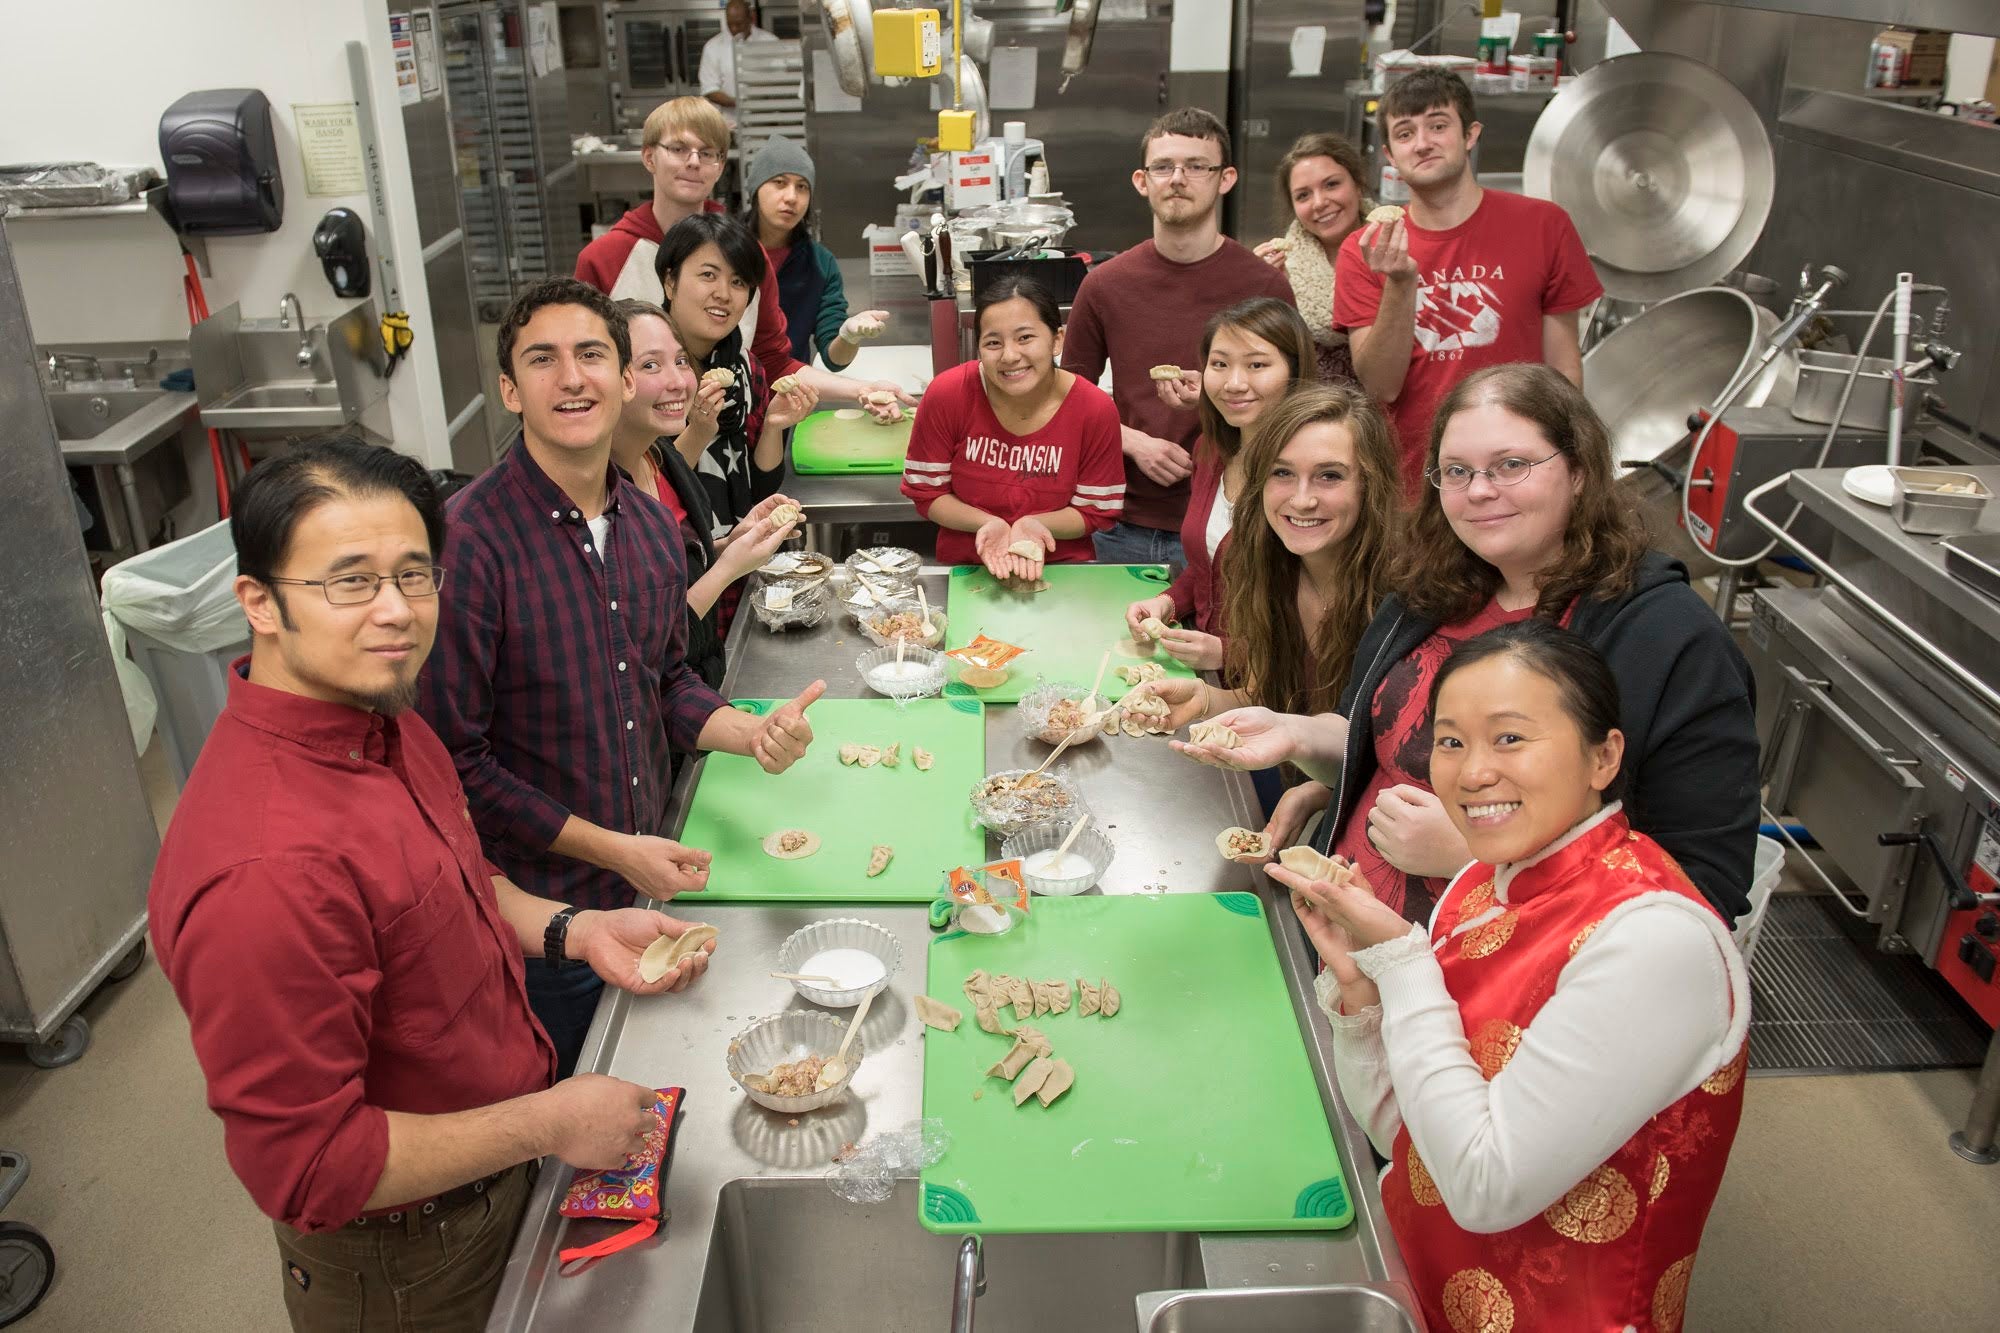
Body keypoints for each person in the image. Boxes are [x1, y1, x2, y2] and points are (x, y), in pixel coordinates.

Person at [150, 436, 713, 1331]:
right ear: (257, 601)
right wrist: (544, 1121)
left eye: (415, 576)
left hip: (492, 1171)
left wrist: (576, 928)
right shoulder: (264, 872)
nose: (397, 612)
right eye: (349, 581)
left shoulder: (383, 718)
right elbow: (310, 1166)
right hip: (408, 1256)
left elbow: (457, 882)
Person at [1269, 620, 1748, 1333]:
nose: (1471, 771)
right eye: (1452, 741)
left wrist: (1403, 961)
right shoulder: (1483, 883)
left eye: (1511, 738)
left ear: (1603, 756)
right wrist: (1363, 1000)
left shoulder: (1655, 940)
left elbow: (1485, 1185)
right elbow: (1410, 1129)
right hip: (1416, 1287)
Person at [417, 278, 825, 1077]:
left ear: (623, 379)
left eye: (592, 355)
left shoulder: (646, 523)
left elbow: (666, 681)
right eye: (543, 359)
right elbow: (455, 765)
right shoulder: (467, 544)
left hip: (649, 885)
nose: (572, 377)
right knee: (574, 1111)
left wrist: (751, 732)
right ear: (510, 389)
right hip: (548, 919)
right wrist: (613, 851)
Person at [1181, 363, 1759, 927]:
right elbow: (1375, 745)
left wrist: (1481, 856)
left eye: (1511, 465)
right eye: (1456, 471)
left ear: (1580, 470)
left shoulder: (1669, 639)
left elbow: (1704, 886)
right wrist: (1298, 733)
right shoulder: (1428, 592)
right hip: (1345, 944)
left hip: (1493, 999)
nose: (1480, 491)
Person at [1128, 382, 1401, 826]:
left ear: (1371, 483)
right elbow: (1264, 695)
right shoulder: (1267, 568)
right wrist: (1202, 700)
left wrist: (1319, 791)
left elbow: (1406, 758)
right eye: (1283, 473)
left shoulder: (1402, 600)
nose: (1302, 498)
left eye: (1330, 475)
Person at [1336, 71, 1601, 485]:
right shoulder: (1364, 248)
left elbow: (1563, 371)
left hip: (1523, 471)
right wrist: (1402, 283)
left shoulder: (1543, 225)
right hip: (1414, 479)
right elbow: (1380, 386)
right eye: (1406, 134)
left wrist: (1572, 466)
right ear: (1390, 155)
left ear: (1470, 134)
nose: (1422, 143)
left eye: (1438, 126)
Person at [1061, 107, 1293, 571]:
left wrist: (1212, 400)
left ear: (1225, 178)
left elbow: (1294, 406)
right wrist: (1131, 441)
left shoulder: (1263, 285)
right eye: (1163, 166)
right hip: (1117, 521)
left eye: (1196, 166)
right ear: (1142, 181)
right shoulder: (1106, 284)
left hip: (1231, 522)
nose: (1178, 179)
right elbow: (1066, 399)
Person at [574, 96, 908, 412]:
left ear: (721, 166)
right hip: (636, 457)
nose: (693, 162)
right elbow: (586, 368)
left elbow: (772, 362)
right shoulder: (606, 259)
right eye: (678, 149)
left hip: (732, 451)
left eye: (708, 153)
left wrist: (860, 389)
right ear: (649, 157)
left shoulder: (748, 256)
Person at [611, 297, 803, 687]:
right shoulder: (603, 496)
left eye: (681, 361)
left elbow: (681, 565)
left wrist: (732, 540)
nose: (679, 381)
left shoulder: (661, 457)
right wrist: (729, 566)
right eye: (650, 365)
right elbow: (653, 646)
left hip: (701, 678)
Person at [1124, 297, 1315, 672]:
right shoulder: (1211, 452)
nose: (1234, 383)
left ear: (1295, 371)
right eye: (1220, 364)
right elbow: (1209, 565)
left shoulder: (1307, 477)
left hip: (1287, 694)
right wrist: (1168, 602)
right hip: (1216, 682)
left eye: (1257, 365)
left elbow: (1331, 618)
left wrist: (1231, 652)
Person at [901, 275, 1125, 579]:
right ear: (978, 347)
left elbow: (1095, 511)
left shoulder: (1094, 409)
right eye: (993, 342)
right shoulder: (948, 394)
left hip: (1063, 573)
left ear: (1057, 339)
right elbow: (927, 493)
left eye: (1025, 338)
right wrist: (988, 524)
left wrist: (1033, 525)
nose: (1009, 356)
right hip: (968, 570)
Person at [656, 213, 823, 536]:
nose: (724, 294)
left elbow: (762, 492)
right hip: (676, 562)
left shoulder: (747, 368)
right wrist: (700, 431)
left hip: (741, 557)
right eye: (708, 275)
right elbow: (643, 494)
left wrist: (774, 426)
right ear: (670, 281)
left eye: (738, 282)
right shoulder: (643, 371)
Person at [744, 136, 890, 371]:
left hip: (791, 392)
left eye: (802, 187)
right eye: (780, 182)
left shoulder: (820, 263)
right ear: (756, 189)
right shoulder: (724, 249)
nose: (791, 197)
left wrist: (848, 336)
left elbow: (834, 360)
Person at [1253, 132, 1372, 385]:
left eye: (1331, 184)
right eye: (1303, 195)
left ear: (1358, 184)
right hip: (1313, 412)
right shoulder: (1281, 268)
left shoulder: (1399, 246)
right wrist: (1269, 295)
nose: (1319, 203)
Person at [698, 1, 778, 128]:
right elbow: (709, 89)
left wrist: (760, 98)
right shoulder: (713, 47)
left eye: (739, 24)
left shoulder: (770, 42)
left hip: (764, 122)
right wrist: (738, 103)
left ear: (751, 18)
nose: (734, 29)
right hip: (729, 125)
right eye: (730, 25)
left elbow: (780, 79)